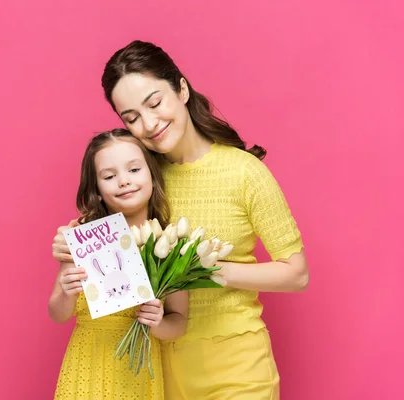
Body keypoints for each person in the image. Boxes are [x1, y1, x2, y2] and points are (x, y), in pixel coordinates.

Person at [52, 40, 309, 399]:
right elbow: (100, 229)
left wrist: (200, 268)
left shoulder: (244, 173)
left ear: (182, 89)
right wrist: (69, 243)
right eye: (132, 118)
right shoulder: (141, 177)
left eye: (155, 103)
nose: (149, 123)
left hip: (237, 367)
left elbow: (297, 273)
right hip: (159, 370)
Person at [48, 128, 189, 399]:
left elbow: (179, 323)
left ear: (152, 176)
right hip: (87, 366)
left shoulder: (169, 243)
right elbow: (57, 313)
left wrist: (157, 322)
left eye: (134, 170)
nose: (124, 181)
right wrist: (67, 292)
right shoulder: (84, 236)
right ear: (97, 190)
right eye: (110, 176)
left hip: (137, 373)